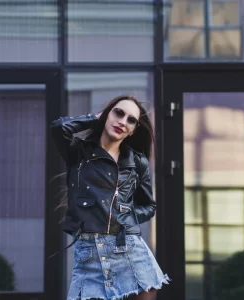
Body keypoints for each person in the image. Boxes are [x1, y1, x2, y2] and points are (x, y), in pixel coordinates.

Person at [50, 95, 170, 300]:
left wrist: (126, 215)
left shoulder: (137, 162)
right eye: (118, 113)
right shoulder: (78, 152)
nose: (123, 121)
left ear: (133, 130)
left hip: (128, 246)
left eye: (131, 120)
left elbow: (149, 206)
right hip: (89, 250)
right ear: (107, 114)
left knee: (148, 292)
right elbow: (58, 128)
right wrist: (95, 118)